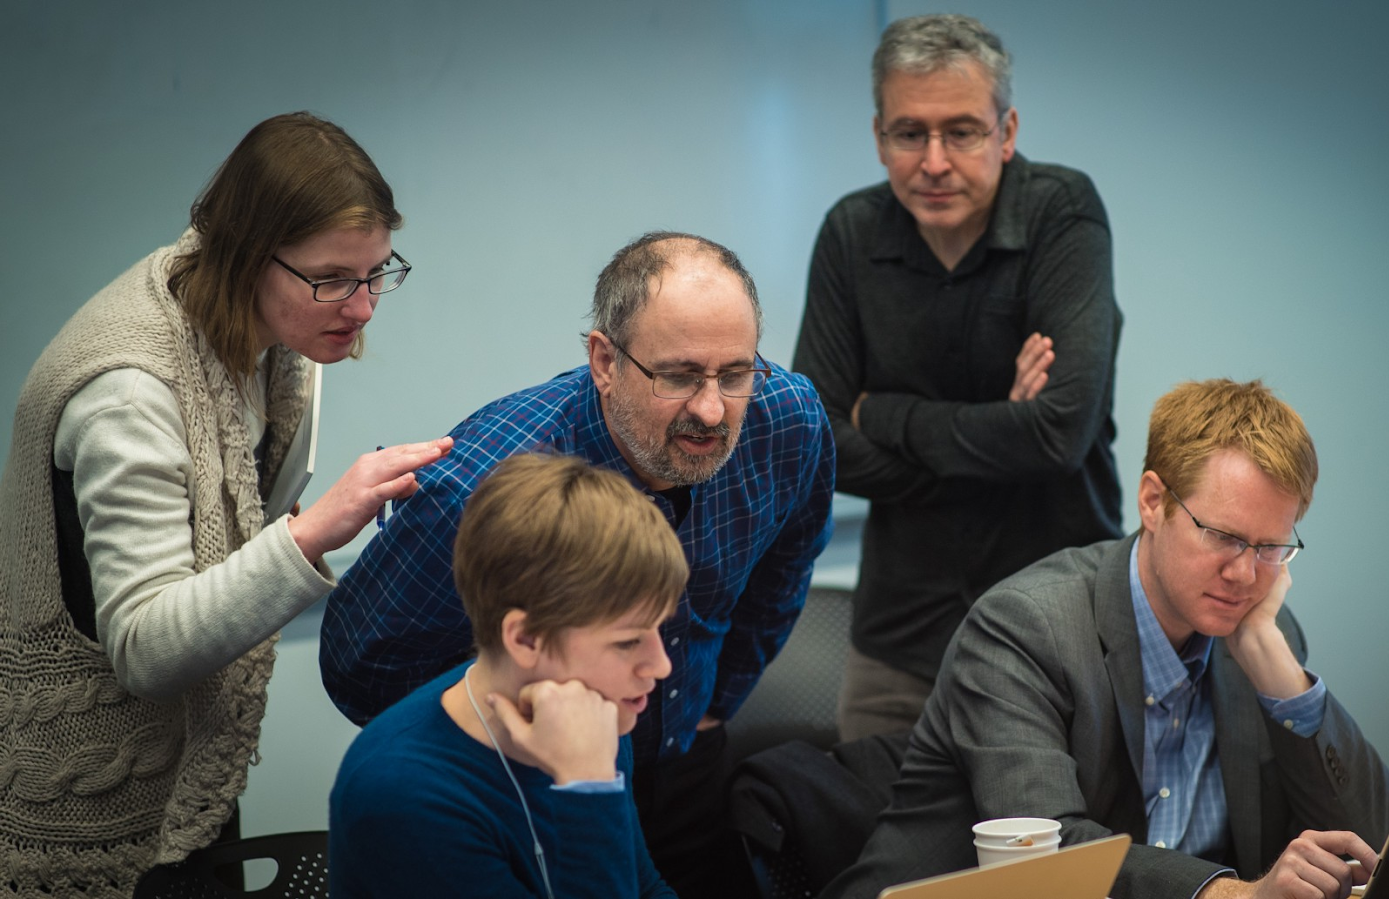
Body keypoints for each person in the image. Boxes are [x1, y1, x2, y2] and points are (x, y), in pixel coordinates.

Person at [0, 112, 451, 894]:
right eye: (333, 279)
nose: (364, 306)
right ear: (248, 257)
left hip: (198, 760)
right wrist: (313, 534)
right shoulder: (127, 395)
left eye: (378, 271)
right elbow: (144, 647)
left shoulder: (279, 332)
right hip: (91, 788)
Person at [320, 231, 834, 898]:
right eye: (678, 375)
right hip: (515, 771)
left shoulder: (785, 419)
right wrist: (511, 734)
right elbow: (363, 663)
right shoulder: (482, 485)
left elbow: (783, 572)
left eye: (735, 373)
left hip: (673, 757)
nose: (712, 408)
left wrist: (706, 707)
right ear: (604, 361)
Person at [823, 379, 1389, 899]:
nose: (1246, 575)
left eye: (1271, 547)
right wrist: (1234, 896)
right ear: (1153, 502)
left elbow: (1379, 850)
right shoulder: (1023, 627)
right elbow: (1046, 857)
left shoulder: (1259, 636)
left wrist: (1280, 675)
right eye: (1224, 537)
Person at [792, 13, 1122, 741]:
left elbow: (1059, 434)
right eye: (910, 133)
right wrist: (999, 432)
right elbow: (818, 444)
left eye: (962, 131)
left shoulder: (1061, 213)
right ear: (880, 137)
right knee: (881, 848)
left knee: (1063, 851)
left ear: (1006, 133)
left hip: (1061, 627)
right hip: (898, 642)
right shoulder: (851, 233)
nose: (933, 161)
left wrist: (884, 416)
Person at [330, 453, 681, 898]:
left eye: (659, 629)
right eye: (628, 641)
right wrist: (588, 788)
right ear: (527, 639)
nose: (662, 665)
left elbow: (644, 886)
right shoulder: (404, 798)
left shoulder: (592, 708)